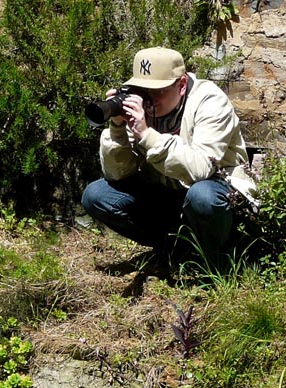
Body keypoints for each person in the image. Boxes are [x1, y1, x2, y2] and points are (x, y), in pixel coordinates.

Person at [81, 46, 258, 268]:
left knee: (202, 196)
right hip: (169, 194)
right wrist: (117, 128)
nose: (148, 99)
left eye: (157, 91)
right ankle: (175, 249)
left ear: (181, 85)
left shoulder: (210, 101)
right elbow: (117, 174)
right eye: (141, 89)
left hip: (217, 196)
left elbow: (201, 168)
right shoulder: (141, 108)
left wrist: (146, 134)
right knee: (96, 194)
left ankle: (218, 261)